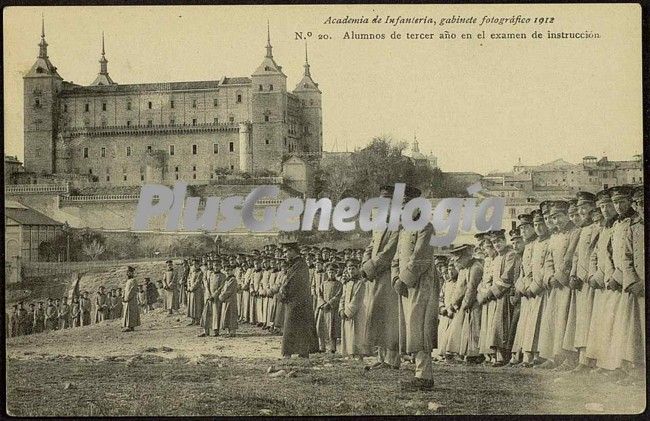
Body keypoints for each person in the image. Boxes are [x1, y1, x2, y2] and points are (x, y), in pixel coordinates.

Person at [391, 185, 438, 391]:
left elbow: (420, 258)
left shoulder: (425, 227)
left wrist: (404, 279)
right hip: (406, 285)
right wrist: (395, 279)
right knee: (411, 329)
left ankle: (424, 376)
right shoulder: (404, 230)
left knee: (420, 328)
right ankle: (419, 373)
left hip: (421, 284)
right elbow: (396, 258)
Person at [361, 185, 401, 370]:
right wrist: (365, 264)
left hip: (387, 275)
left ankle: (393, 359)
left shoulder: (398, 225)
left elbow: (388, 252)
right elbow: (370, 247)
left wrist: (369, 268)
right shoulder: (378, 225)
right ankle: (381, 356)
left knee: (389, 317)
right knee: (376, 315)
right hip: (375, 277)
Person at [612, 185, 644, 385]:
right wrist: (633, 280)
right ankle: (636, 369)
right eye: (639, 204)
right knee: (636, 329)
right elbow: (626, 257)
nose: (641, 207)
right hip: (638, 286)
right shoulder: (634, 227)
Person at [567, 192, 599, 373]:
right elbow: (577, 256)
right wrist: (573, 274)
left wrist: (591, 275)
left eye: (584, 208)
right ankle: (583, 359)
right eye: (579, 209)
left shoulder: (597, 228)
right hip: (581, 282)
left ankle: (591, 360)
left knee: (592, 321)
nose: (581, 212)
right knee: (582, 321)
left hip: (592, 280)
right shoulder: (583, 230)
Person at [278, 239, 319, 359]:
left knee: (295, 327)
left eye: (286, 252)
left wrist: (283, 293)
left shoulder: (300, 265)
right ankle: (296, 352)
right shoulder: (295, 264)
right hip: (295, 301)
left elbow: (292, 283)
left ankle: (295, 353)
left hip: (298, 301)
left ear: (292, 251)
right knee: (295, 327)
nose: (285, 255)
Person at [454, 244, 484, 364]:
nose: (459, 262)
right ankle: (471, 353)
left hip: (477, 301)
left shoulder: (476, 267)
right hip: (471, 301)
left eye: (460, 259)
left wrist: (465, 303)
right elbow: (462, 287)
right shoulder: (467, 267)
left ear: (466, 257)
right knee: (470, 327)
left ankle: (478, 353)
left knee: (476, 326)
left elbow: (471, 288)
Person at [339, 258, 368, 359]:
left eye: (353, 268)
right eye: (349, 269)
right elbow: (342, 297)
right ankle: (350, 353)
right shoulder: (347, 283)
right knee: (348, 332)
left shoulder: (361, 283)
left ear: (358, 269)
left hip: (357, 311)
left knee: (357, 331)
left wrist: (348, 312)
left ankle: (359, 354)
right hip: (346, 312)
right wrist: (341, 309)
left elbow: (357, 298)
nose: (351, 271)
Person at [315, 262, 343, 353]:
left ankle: (332, 347)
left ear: (336, 273)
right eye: (329, 272)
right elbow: (319, 295)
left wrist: (330, 303)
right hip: (323, 309)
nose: (331, 274)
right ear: (327, 273)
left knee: (333, 329)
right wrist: (323, 303)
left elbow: (338, 295)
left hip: (332, 309)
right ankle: (322, 346)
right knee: (321, 327)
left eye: (333, 272)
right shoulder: (323, 284)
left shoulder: (339, 284)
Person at [200, 260, 223, 337]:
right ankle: (206, 331)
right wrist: (209, 294)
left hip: (216, 298)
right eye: (214, 266)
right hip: (209, 297)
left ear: (220, 266)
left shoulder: (223, 276)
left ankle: (216, 331)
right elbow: (207, 285)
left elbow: (221, 287)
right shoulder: (211, 275)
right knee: (206, 313)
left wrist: (214, 295)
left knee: (216, 314)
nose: (216, 267)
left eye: (217, 266)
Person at [219, 260, 240, 336]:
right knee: (227, 315)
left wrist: (221, 297)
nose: (228, 272)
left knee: (231, 315)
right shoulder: (227, 280)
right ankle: (228, 331)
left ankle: (232, 331)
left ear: (232, 271)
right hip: (226, 300)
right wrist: (221, 294)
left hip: (231, 300)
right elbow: (223, 289)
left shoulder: (233, 280)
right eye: (226, 271)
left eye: (229, 270)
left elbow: (228, 291)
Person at [122, 266, 140, 332]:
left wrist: (127, 298)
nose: (128, 274)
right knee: (128, 312)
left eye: (129, 272)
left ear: (132, 273)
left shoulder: (133, 280)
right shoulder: (128, 281)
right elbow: (125, 290)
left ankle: (130, 326)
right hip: (127, 299)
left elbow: (132, 290)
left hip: (131, 299)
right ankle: (129, 326)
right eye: (127, 272)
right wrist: (123, 296)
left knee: (131, 313)